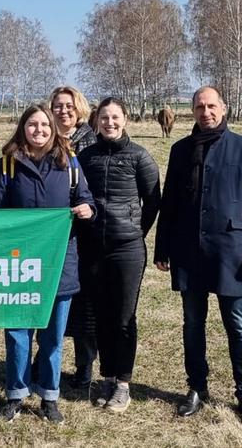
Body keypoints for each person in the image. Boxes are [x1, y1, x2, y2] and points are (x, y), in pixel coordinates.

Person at [154, 86, 242, 427]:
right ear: (193, 111)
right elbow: (169, 203)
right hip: (189, 251)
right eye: (200, 107)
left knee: (237, 326)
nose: (206, 112)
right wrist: (162, 248)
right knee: (192, 324)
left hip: (230, 253)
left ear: (224, 108)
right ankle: (196, 389)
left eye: (212, 106)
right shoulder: (180, 150)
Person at [0, 104, 95, 424]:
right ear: (23, 128)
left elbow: (85, 199)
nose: (39, 130)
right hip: (19, 265)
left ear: (53, 129)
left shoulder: (69, 161)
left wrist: (87, 209)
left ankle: (49, 396)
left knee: (52, 337)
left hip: (58, 264)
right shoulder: (8, 163)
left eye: (44, 126)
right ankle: (16, 394)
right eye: (32, 125)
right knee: (18, 333)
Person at [77, 97, 161, 413]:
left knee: (124, 317)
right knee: (100, 316)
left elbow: (153, 201)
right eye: (104, 117)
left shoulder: (140, 157)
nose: (109, 122)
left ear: (125, 119)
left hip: (127, 249)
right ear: (96, 121)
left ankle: (123, 383)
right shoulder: (86, 157)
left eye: (115, 117)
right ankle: (107, 377)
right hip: (93, 248)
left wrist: (135, 231)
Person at [47, 85, 99, 389]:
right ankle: (46, 356)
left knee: (84, 303)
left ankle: (84, 365)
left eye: (68, 106)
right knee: (51, 297)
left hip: (84, 232)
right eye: (57, 106)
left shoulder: (90, 141)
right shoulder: (44, 138)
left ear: (78, 107)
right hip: (53, 234)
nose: (63, 111)